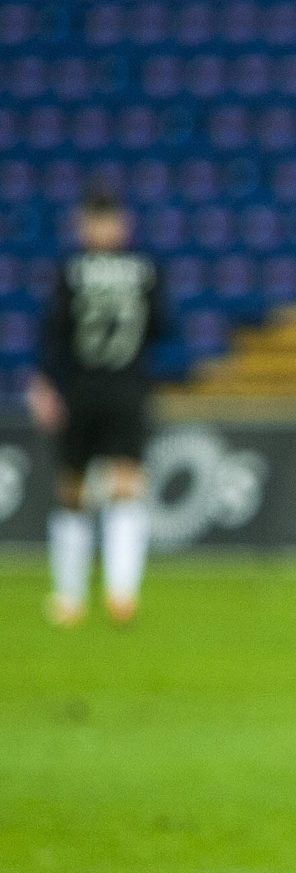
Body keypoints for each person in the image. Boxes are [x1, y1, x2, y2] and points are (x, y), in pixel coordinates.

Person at [29, 190, 166, 627]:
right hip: (125, 387)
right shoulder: (146, 270)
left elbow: (53, 333)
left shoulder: (72, 271)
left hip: (83, 387)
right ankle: (118, 592)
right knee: (118, 485)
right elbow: (163, 327)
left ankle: (76, 598)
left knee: (79, 489)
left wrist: (44, 383)